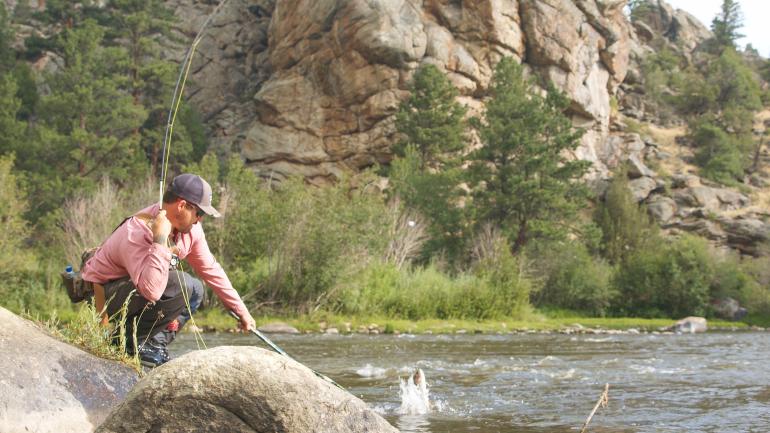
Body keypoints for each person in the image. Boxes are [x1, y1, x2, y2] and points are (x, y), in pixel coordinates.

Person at [81, 173, 255, 366]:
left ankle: (154, 343)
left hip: (136, 290)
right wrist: (160, 240)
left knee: (196, 289)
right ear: (182, 206)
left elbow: (211, 270)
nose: (199, 220)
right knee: (182, 283)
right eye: (199, 213)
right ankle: (130, 343)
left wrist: (241, 311)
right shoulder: (137, 231)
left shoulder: (192, 230)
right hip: (104, 295)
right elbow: (151, 291)